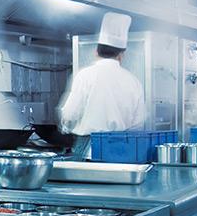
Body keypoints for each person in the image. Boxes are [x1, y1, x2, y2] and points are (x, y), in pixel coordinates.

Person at [58, 12, 146, 157]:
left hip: (88, 147)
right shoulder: (133, 81)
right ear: (121, 55)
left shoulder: (85, 75)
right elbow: (138, 124)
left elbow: (70, 114)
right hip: (122, 148)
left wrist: (65, 127)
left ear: (96, 51)